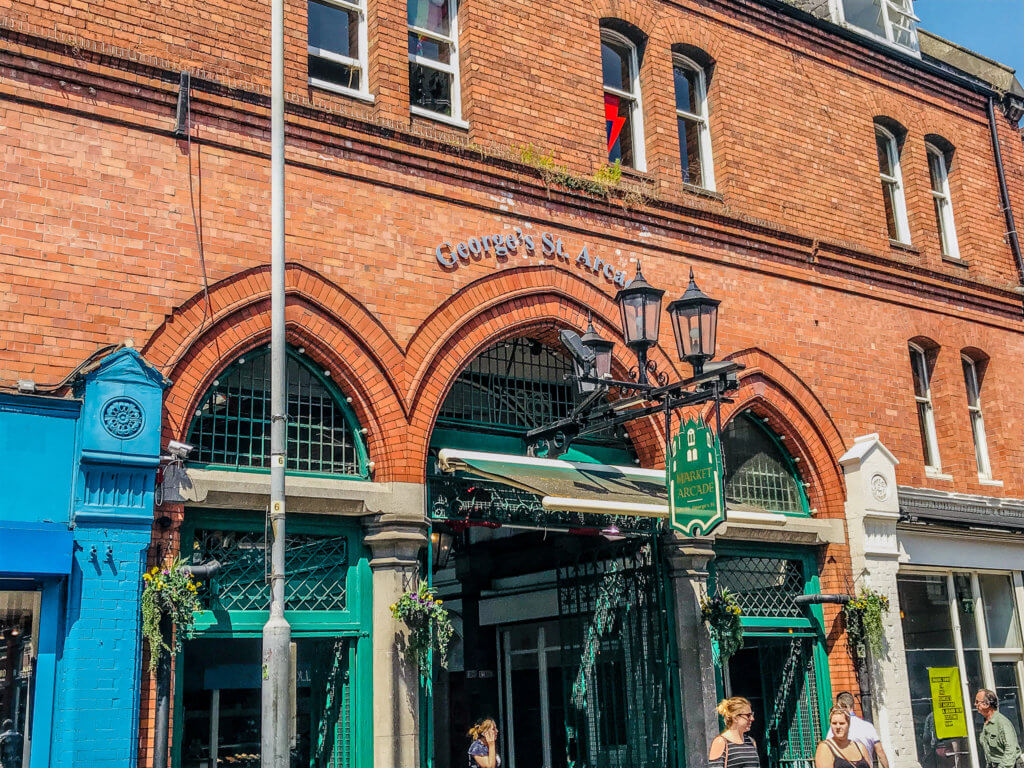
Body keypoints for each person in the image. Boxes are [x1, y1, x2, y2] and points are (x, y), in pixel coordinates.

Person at [826, 691, 891, 768]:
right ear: (854, 706)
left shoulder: (836, 729)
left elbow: (828, 753)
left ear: (841, 707)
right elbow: (880, 753)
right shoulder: (868, 727)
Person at [975, 688, 1022, 768]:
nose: (975, 705)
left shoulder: (1002, 723)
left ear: (987, 704)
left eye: (977, 702)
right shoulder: (986, 723)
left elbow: (1010, 750)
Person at [709, 697, 761, 768]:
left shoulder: (751, 742)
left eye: (752, 714)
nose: (752, 719)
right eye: (748, 715)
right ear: (735, 718)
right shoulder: (721, 742)